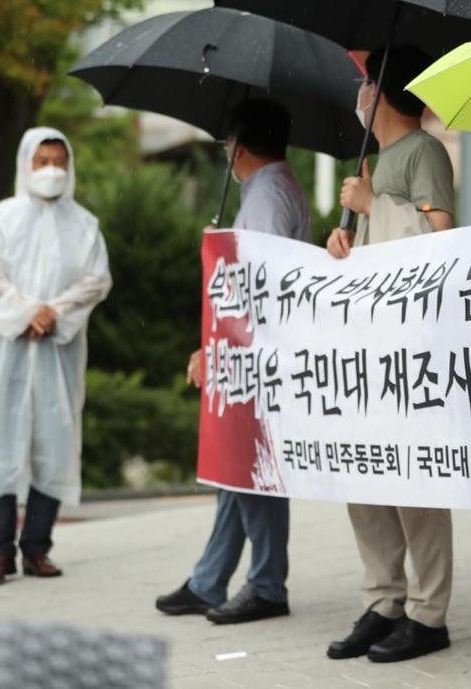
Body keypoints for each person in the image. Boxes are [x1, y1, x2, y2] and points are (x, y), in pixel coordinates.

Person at [324, 46, 457, 664]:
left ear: (380, 91)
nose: (358, 95)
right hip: (374, 345)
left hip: (413, 346)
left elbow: (440, 238)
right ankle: (383, 597)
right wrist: (350, 239)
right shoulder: (380, 159)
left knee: (414, 476)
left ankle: (428, 612)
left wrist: (377, 207)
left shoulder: (425, 150)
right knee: (366, 468)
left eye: (363, 84)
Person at [155, 99, 310, 624]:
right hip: (252, 352)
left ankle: (267, 584)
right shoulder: (269, 189)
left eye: (225, 144)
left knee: (251, 466)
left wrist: (215, 349)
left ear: (237, 147)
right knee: (233, 470)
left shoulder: (266, 194)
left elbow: (254, 287)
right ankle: (209, 580)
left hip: (254, 357)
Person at [0, 127, 112, 584]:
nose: (51, 171)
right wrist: (27, 312)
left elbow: (96, 280)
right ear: (26, 164)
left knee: (54, 444)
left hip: (55, 350)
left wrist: (53, 314)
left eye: (58, 162)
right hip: (6, 348)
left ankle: (37, 548)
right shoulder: (2, 218)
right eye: (42, 161)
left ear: (70, 166)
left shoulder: (84, 224)